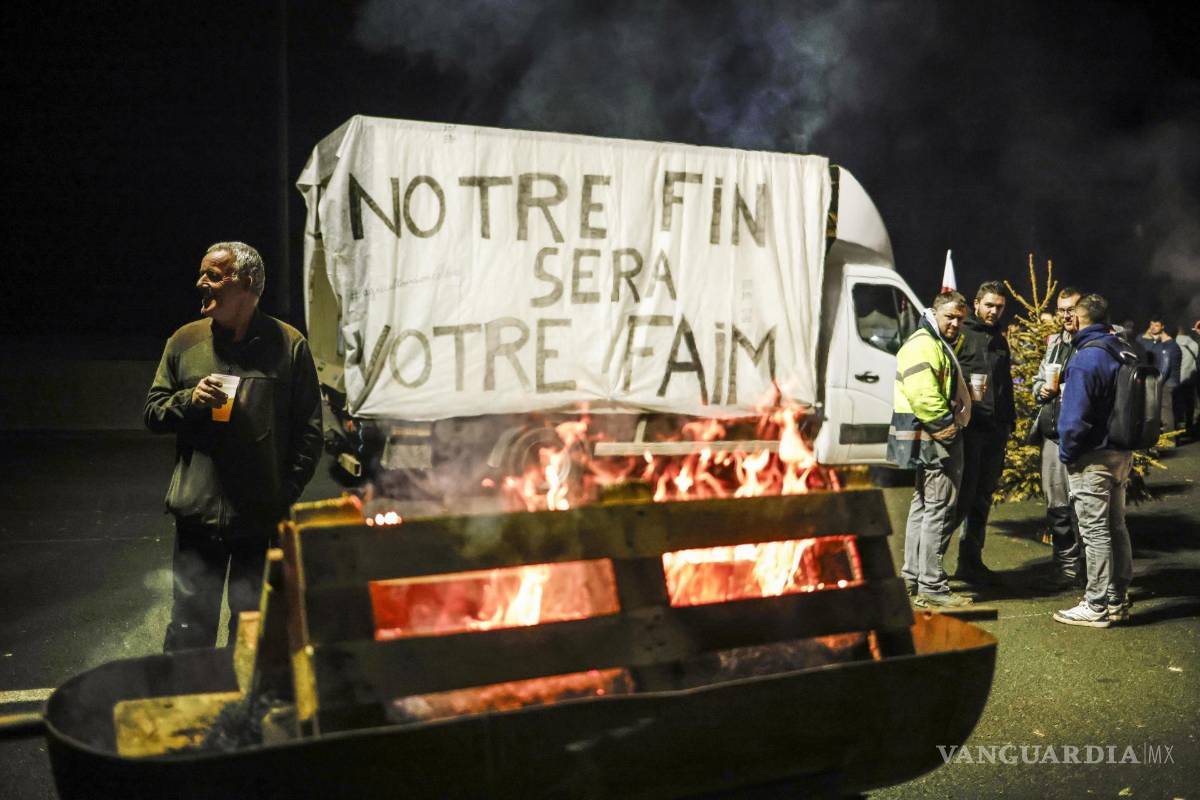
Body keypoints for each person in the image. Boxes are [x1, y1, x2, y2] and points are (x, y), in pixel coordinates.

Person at [145, 242, 324, 651]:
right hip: (197, 518)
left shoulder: (289, 345)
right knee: (189, 631)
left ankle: (245, 712)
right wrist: (189, 401)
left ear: (244, 283)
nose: (200, 283)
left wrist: (281, 495)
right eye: (202, 273)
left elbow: (310, 432)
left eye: (212, 275)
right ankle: (188, 707)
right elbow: (153, 413)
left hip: (258, 521)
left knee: (254, 634)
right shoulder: (184, 341)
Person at [889, 291, 973, 608]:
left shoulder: (930, 341)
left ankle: (913, 578)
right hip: (934, 437)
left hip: (925, 437)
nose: (955, 323)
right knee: (938, 508)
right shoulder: (924, 344)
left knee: (923, 506)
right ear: (934, 312)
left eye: (960, 319)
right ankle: (932, 586)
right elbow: (923, 394)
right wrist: (948, 430)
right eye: (950, 316)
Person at [1053, 293, 1133, 627]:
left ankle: (1096, 604)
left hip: (1093, 457)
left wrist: (1068, 452)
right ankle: (1117, 598)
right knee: (1116, 526)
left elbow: (1074, 418)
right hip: (1119, 452)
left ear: (1083, 318)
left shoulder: (1087, 358)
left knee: (1095, 531)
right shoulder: (1119, 348)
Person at [952, 281, 1015, 585]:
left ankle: (971, 560)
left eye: (999, 306)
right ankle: (930, 566)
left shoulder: (999, 338)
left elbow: (1005, 385)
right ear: (976, 304)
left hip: (995, 429)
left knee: (983, 497)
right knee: (961, 496)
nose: (994, 311)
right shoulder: (961, 334)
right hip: (970, 428)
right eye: (989, 305)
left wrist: (1009, 421)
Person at [1031, 287, 1084, 589]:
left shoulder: (1090, 343)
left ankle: (1086, 570)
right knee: (1056, 505)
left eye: (1071, 309)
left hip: (1079, 438)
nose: (1065, 315)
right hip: (1052, 436)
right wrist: (1041, 390)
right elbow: (1038, 380)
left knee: (1082, 505)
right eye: (1061, 309)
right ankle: (1064, 568)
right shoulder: (1054, 343)